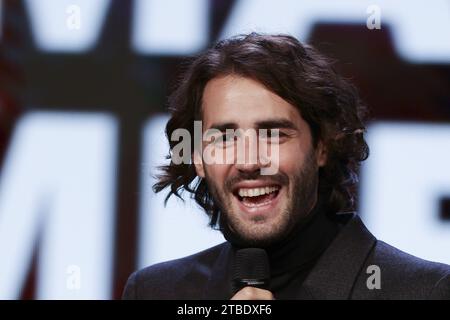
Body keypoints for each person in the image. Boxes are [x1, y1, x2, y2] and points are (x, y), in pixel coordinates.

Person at [122, 33, 450, 300]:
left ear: (322, 146)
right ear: (198, 158)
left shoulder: (424, 291)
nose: (249, 161)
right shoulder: (156, 291)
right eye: (224, 137)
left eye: (274, 134)